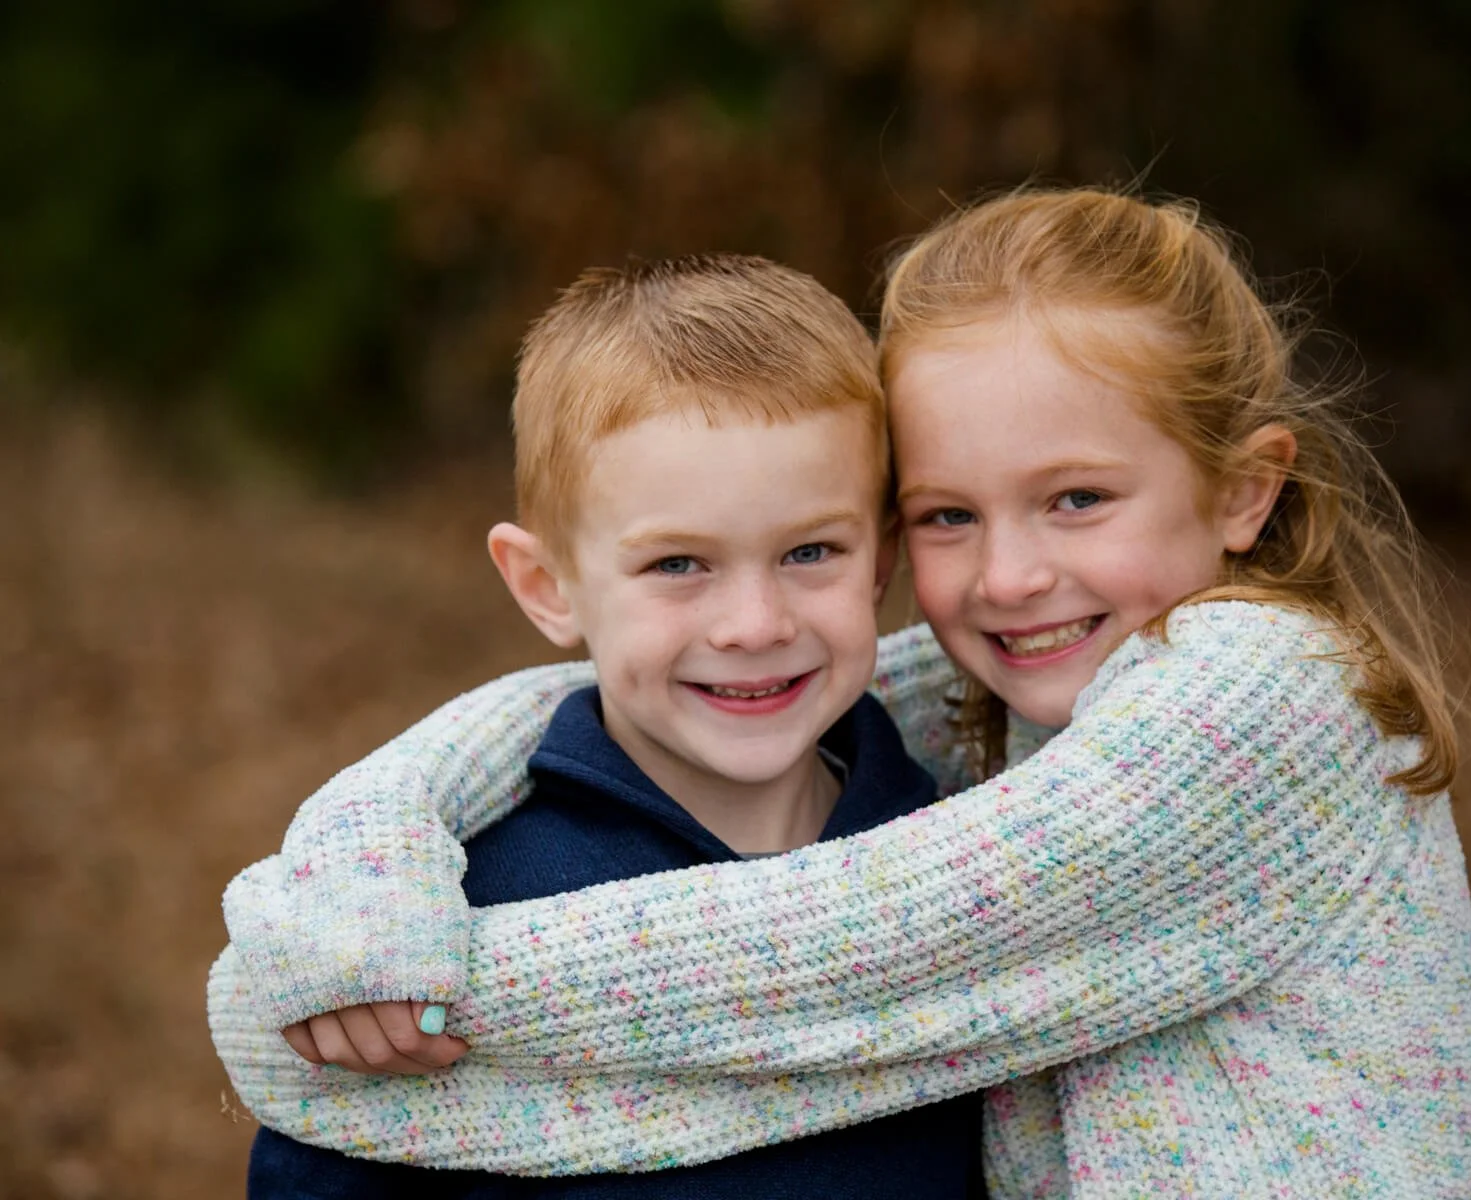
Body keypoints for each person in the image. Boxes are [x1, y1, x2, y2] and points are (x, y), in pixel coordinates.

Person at [211, 188, 1471, 1198]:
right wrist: (362, 859)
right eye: (948, 514)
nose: (1009, 576)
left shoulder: (1256, 704)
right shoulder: (1044, 700)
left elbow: (830, 956)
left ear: (1243, 491)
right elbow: (593, 694)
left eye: (1079, 498)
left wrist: (306, 1013)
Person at [217, 252, 988, 1196]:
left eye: (810, 551)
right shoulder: (448, 914)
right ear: (548, 586)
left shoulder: (963, 843)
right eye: (677, 564)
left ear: (881, 560)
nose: (755, 624)